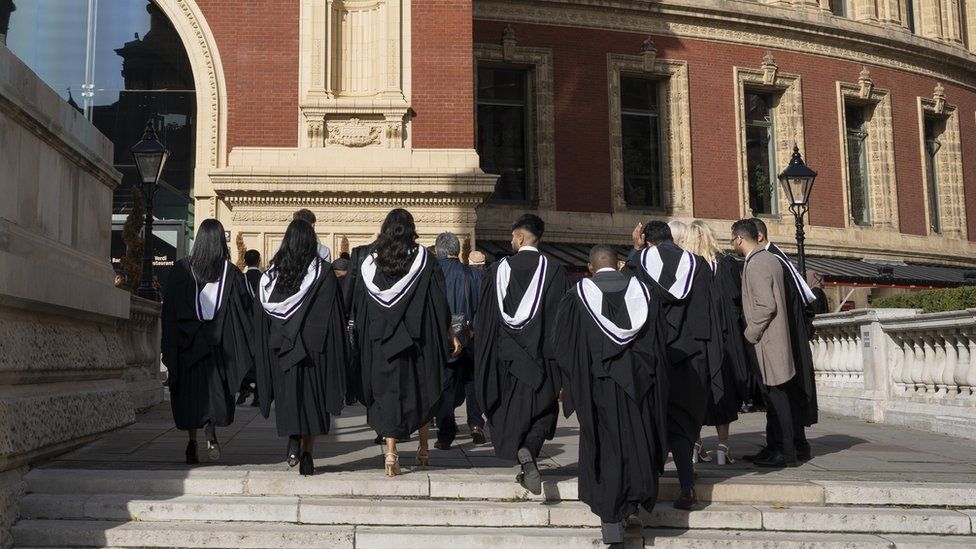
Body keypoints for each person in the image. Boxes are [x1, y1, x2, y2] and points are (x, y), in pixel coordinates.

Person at [554, 245, 668, 549]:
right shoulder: (643, 292)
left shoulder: (578, 295)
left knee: (606, 449)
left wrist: (571, 384)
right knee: (638, 442)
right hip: (639, 386)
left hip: (598, 387)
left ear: (591, 267)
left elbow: (563, 346)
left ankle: (612, 526)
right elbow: (659, 344)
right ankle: (633, 507)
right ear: (617, 265)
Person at [352, 209, 460, 476]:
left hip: (381, 342)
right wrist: (449, 333)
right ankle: (423, 448)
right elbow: (439, 301)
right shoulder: (425, 259)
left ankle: (391, 453)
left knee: (387, 394)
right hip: (416, 341)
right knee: (420, 390)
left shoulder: (369, 262)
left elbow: (360, 307)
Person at [475, 214, 569, 495]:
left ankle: (522, 453)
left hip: (507, 361)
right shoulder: (554, 271)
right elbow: (561, 321)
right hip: (543, 362)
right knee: (543, 411)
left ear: (519, 237)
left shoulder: (497, 271)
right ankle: (529, 449)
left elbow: (487, 321)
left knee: (509, 411)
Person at [626, 221, 717, 510]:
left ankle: (647, 483)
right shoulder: (698, 264)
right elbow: (708, 312)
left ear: (646, 239)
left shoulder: (639, 262)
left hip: (653, 353)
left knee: (652, 418)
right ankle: (687, 487)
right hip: (691, 354)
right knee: (682, 421)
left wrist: (635, 249)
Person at [252, 220, 347, 476]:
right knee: (313, 402)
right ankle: (308, 453)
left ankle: (293, 437)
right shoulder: (324, 273)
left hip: (282, 349)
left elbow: (263, 317)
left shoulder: (271, 276)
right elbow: (333, 316)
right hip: (313, 351)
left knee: (289, 398)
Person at [161, 218, 253, 465]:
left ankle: (191, 442)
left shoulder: (181, 271)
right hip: (217, 348)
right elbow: (245, 311)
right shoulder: (231, 274)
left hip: (187, 347)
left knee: (190, 396)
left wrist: (169, 346)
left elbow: (168, 311)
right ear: (220, 242)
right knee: (214, 395)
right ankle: (210, 434)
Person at [732, 219, 804, 468]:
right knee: (774, 397)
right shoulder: (771, 259)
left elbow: (766, 305)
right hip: (775, 340)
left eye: (733, 240)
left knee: (775, 398)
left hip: (767, 342)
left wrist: (749, 334)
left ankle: (785, 452)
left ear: (740, 239)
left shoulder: (756, 263)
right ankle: (776, 448)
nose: (733, 244)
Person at [747, 218, 816, 463]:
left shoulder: (769, 260)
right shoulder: (777, 259)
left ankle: (786, 446)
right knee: (782, 394)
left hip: (783, 340)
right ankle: (786, 444)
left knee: (781, 394)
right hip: (789, 338)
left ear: (759, 237)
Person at [683, 220, 751, 465]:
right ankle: (723, 447)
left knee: (696, 390)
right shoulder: (726, 264)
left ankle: (695, 444)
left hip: (696, 337)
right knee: (724, 389)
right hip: (726, 337)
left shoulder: (687, 267)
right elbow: (736, 299)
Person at [433, 232, 488, 449]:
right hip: (471, 336)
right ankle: (476, 425)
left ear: (438, 250)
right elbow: (483, 307)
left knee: (445, 386)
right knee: (472, 382)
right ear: (457, 251)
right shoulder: (475, 275)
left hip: (443, 338)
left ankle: (446, 434)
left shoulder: (433, 273)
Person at [237, 249, 263, 406]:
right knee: (260, 360)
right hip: (260, 324)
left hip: (245, 324)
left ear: (245, 261)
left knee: (244, 357)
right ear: (259, 260)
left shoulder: (241, 279)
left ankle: (243, 387)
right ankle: (259, 396)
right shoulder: (264, 278)